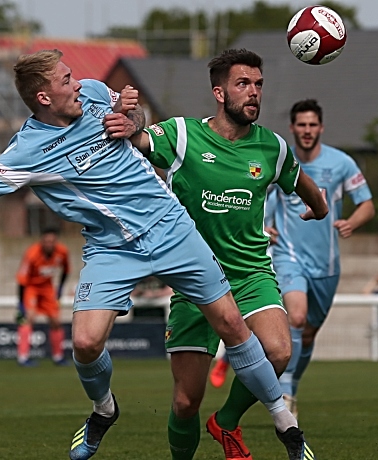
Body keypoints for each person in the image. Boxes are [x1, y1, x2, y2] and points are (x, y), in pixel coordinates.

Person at [0, 49, 294, 460]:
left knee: (231, 323)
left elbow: (136, 118)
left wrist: (133, 116)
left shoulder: (92, 92)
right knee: (86, 343)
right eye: (66, 80)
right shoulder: (26, 151)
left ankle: (286, 425)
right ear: (43, 97)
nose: (78, 83)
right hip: (112, 248)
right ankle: (104, 409)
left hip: (171, 227)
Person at [130, 49, 327, 460]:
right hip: (194, 280)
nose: (253, 93)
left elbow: (304, 185)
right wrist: (133, 123)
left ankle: (227, 421)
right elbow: (140, 140)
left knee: (279, 350)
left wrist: (320, 208)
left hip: (250, 275)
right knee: (185, 403)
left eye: (258, 84)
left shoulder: (271, 147)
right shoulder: (183, 135)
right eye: (243, 84)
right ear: (219, 92)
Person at [267, 98, 375, 419]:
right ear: (292, 128)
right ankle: (285, 394)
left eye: (312, 125)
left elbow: (367, 203)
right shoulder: (281, 160)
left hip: (327, 266)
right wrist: (264, 227)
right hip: (289, 257)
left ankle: (293, 386)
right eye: (301, 125)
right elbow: (259, 195)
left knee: (310, 332)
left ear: (321, 128)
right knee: (296, 318)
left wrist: (352, 222)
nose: (307, 130)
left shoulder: (341, 163)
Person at [16, 227, 70, 366]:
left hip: (48, 288)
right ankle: (23, 357)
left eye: (52, 241)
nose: (49, 244)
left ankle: (58, 357)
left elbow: (66, 270)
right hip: (31, 287)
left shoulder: (62, 252)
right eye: (46, 241)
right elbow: (21, 280)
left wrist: (60, 289)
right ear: (42, 241)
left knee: (56, 321)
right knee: (29, 318)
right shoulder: (32, 254)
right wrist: (21, 304)